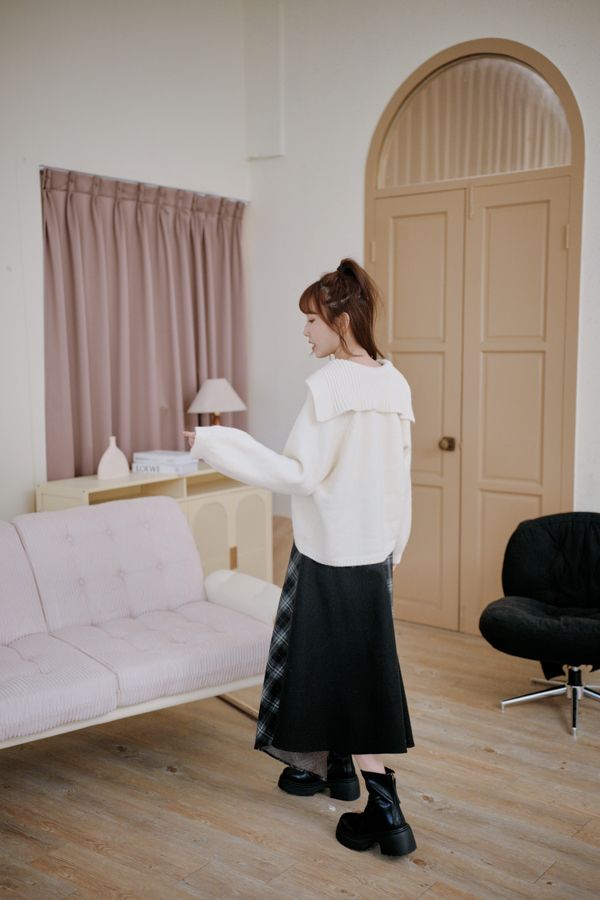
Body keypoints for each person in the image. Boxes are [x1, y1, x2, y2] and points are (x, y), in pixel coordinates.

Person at [183, 258, 417, 857]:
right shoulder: (395, 382)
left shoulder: (329, 385)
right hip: (374, 554)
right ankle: (337, 774)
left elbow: (298, 474)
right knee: (349, 665)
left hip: (329, 554)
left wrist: (214, 442)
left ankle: (386, 810)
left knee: (338, 670)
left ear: (342, 321)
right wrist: (395, 546)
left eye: (312, 320)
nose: (305, 331)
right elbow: (401, 477)